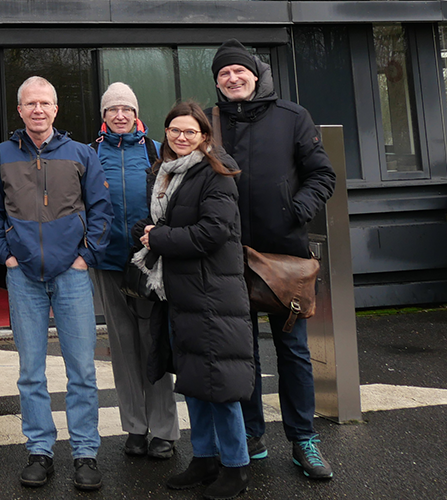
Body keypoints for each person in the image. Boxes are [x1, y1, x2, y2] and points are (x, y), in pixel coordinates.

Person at [208, 40, 337, 481]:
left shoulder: (292, 117)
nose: (231, 78)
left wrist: (295, 210)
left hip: (285, 259)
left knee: (294, 353)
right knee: (241, 354)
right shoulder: (210, 123)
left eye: (238, 71)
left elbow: (322, 174)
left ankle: (304, 440)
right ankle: (251, 434)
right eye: (223, 73)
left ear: (255, 74)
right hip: (229, 259)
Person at [0, 76, 112, 491]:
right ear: (19, 110)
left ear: (56, 109)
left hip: (71, 275)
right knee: (31, 372)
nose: (38, 109)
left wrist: (84, 257)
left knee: (82, 371)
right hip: (24, 277)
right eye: (30, 103)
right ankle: (40, 450)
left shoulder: (82, 155)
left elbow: (101, 209)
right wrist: (6, 256)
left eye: (45, 103)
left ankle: (85, 453)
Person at [135, 101, 254, 500]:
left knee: (220, 383)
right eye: (174, 130)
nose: (181, 137)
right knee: (194, 381)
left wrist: (159, 237)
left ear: (204, 136)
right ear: (165, 133)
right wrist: (148, 230)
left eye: (189, 131)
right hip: (179, 292)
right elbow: (171, 223)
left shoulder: (217, 173)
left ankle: (235, 467)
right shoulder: (164, 172)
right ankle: (204, 459)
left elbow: (211, 233)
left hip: (211, 294)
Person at [87, 83, 179, 460]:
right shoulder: (90, 154)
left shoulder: (158, 150)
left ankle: (164, 431)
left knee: (154, 344)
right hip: (107, 264)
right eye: (113, 110)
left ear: (136, 113)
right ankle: (135, 428)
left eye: (127, 108)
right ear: (104, 116)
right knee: (123, 348)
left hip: (150, 263)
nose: (120, 115)